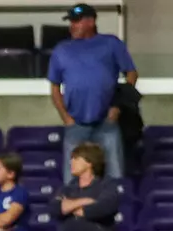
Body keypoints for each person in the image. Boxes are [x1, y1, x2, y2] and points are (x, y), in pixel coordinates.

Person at [48, 3, 137, 180]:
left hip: (107, 122)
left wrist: (118, 107)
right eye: (71, 22)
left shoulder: (111, 43)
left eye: (77, 21)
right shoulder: (62, 50)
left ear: (90, 22)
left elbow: (132, 74)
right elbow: (55, 88)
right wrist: (66, 118)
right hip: (76, 124)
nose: (72, 26)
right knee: (72, 177)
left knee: (114, 174)